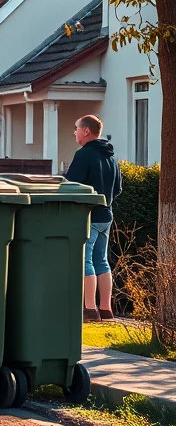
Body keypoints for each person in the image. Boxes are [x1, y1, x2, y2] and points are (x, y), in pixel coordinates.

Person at [66, 115, 123, 322]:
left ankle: (89, 309)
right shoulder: (110, 157)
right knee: (102, 260)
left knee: (85, 259)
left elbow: (71, 184)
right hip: (106, 214)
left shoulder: (84, 155)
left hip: (87, 215)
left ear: (86, 131)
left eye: (77, 128)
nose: (75, 132)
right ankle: (106, 309)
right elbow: (118, 188)